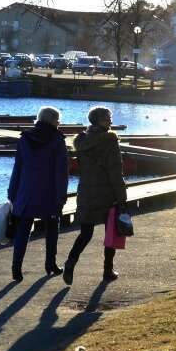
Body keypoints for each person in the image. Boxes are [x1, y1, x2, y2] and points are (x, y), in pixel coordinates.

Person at [63, 105, 128, 284]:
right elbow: (115, 172)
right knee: (111, 232)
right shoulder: (110, 141)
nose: (111, 121)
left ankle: (71, 261)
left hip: (86, 191)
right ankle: (107, 270)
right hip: (107, 193)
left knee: (85, 233)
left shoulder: (82, 141)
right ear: (99, 121)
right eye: (107, 118)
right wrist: (122, 198)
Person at [7, 106, 70, 282]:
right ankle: (50, 264)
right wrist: (61, 196)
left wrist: (12, 192)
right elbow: (61, 172)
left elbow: (17, 168)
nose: (59, 124)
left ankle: (16, 267)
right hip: (50, 192)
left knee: (23, 229)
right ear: (53, 121)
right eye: (58, 121)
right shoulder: (57, 141)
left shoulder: (25, 139)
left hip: (26, 191)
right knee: (52, 228)